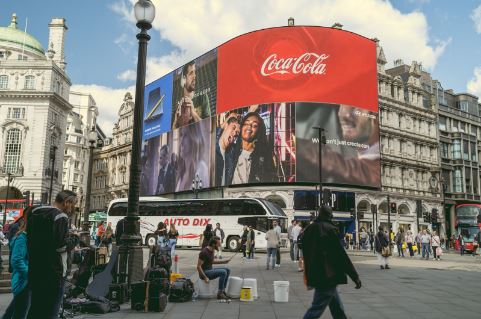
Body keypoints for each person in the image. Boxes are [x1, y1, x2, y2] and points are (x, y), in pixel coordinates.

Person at [302, 205, 361, 319]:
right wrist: (354, 276)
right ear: (329, 215)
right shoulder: (330, 229)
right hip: (328, 274)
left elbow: (304, 249)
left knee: (335, 305)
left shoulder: (309, 229)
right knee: (317, 307)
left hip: (315, 272)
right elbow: (340, 255)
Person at [27, 190, 79, 319]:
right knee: (52, 309)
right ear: (66, 202)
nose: (73, 208)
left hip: (36, 267)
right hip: (55, 270)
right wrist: (75, 239)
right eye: (73, 204)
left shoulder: (35, 213)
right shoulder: (60, 217)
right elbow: (60, 246)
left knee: (36, 307)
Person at [225, 112, 274, 185]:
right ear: (241, 127)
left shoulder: (263, 157)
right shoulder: (230, 150)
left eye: (254, 125)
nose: (249, 126)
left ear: (259, 131)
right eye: (246, 123)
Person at [2, 207, 32, 319]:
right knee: (20, 313)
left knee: (15, 309)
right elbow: (17, 260)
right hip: (23, 281)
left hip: (25, 280)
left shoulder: (27, 237)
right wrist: (29, 274)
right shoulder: (22, 238)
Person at [172, 60, 210, 129]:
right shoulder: (177, 107)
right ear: (184, 78)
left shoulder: (203, 97)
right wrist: (175, 123)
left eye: (194, 72)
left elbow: (208, 128)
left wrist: (194, 113)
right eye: (191, 73)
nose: (194, 76)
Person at [175, 123, 210, 192]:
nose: (181, 142)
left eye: (186, 136)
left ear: (194, 138)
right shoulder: (182, 173)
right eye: (181, 135)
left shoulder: (201, 168)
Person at [215, 114, 241, 186]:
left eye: (237, 133)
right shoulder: (212, 147)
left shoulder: (231, 155)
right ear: (226, 126)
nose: (234, 133)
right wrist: (227, 119)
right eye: (233, 128)